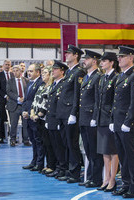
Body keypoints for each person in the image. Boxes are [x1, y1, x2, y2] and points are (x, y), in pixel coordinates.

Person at [110, 46, 134, 198]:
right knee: (122, 156)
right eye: (119, 56)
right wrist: (113, 120)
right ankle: (126, 183)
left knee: (131, 156)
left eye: (122, 56)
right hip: (118, 123)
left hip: (128, 125)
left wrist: (128, 122)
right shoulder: (120, 76)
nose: (119, 59)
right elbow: (116, 102)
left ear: (131, 58)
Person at [56, 45, 86, 183]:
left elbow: (76, 95)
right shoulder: (69, 72)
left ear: (75, 56)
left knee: (72, 143)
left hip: (70, 113)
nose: (66, 55)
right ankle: (69, 169)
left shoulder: (78, 72)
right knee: (65, 143)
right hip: (63, 113)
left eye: (69, 53)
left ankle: (74, 172)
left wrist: (74, 113)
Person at [94, 52, 120, 192]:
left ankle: (112, 179)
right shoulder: (103, 78)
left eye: (104, 61)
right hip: (101, 117)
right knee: (104, 151)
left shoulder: (116, 77)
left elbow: (115, 101)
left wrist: (112, 118)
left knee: (113, 150)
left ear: (111, 62)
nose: (101, 63)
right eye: (101, 61)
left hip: (111, 117)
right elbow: (98, 99)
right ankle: (106, 177)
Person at [79, 50, 103, 188]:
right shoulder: (87, 77)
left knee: (94, 151)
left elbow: (97, 100)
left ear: (94, 61)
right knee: (88, 150)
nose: (84, 61)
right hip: (83, 118)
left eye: (87, 59)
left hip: (91, 118)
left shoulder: (97, 77)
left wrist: (94, 117)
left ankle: (96, 179)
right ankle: (90, 177)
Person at [31, 66, 56, 175]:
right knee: (42, 143)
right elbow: (35, 100)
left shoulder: (50, 87)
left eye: (45, 73)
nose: (43, 75)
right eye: (42, 73)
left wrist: (39, 114)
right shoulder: (41, 86)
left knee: (49, 143)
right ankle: (47, 164)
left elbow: (46, 103)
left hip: (44, 118)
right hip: (37, 118)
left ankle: (51, 165)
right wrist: (32, 113)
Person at [45, 60, 68, 179]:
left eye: (55, 69)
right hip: (52, 119)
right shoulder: (54, 84)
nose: (52, 71)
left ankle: (63, 168)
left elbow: (61, 104)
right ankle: (59, 167)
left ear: (62, 71)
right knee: (55, 145)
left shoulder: (63, 84)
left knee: (60, 145)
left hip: (58, 119)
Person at [22, 64, 44, 172]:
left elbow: (38, 101)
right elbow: (26, 100)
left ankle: (39, 163)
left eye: (31, 71)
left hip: (35, 117)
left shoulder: (40, 83)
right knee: (33, 140)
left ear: (38, 72)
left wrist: (30, 113)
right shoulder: (29, 83)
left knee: (38, 140)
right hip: (27, 116)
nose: (29, 73)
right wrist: (23, 111)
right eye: (28, 71)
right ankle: (34, 161)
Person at [6, 65, 29, 147]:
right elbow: (9, 92)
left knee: (25, 124)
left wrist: (24, 98)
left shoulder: (26, 80)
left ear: (20, 71)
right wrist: (18, 98)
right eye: (14, 71)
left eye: (17, 70)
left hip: (24, 105)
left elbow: (28, 91)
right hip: (14, 105)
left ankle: (26, 140)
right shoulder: (10, 81)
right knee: (13, 124)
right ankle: (13, 140)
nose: (15, 72)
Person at [0, 59, 14, 143]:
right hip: (2, 99)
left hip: (12, 100)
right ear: (3, 65)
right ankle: (1, 136)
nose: (7, 66)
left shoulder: (12, 75)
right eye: (6, 64)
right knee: (2, 118)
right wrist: (5, 96)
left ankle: (12, 136)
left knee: (12, 118)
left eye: (9, 65)